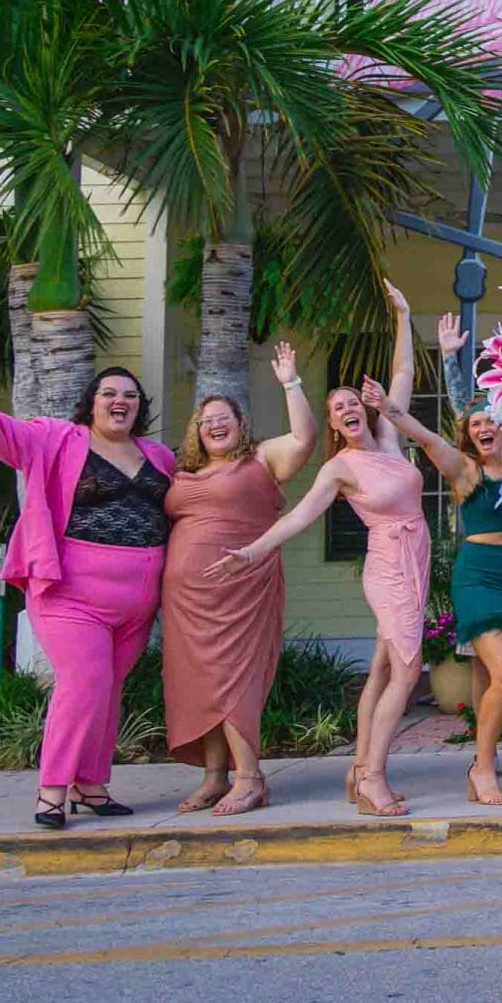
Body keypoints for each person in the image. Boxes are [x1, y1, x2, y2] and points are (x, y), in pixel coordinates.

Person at [207, 280, 426, 817]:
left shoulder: (392, 439)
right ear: (332, 423)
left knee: (380, 669)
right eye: (338, 408)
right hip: (390, 567)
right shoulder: (340, 468)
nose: (348, 409)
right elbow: (301, 516)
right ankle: (374, 777)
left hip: (415, 559)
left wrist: (402, 313)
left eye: (353, 401)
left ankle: (359, 772)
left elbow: (403, 374)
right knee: (407, 669)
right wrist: (251, 552)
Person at [0, 365, 174, 829]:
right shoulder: (58, 439)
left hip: (139, 600)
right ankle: (52, 791)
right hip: (70, 593)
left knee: (107, 689)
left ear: (140, 406)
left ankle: (91, 784)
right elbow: (6, 435)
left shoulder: (159, 456)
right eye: (109, 393)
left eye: (130, 395)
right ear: (92, 400)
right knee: (83, 683)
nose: (119, 401)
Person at [377, 395, 502, 808]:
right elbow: (424, 438)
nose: (482, 429)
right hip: (479, 578)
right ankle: (481, 765)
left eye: (488, 421)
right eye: (474, 424)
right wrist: (388, 407)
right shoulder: (466, 470)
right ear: (468, 435)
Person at [161, 343, 317, 816]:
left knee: (234, 681)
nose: (214, 423)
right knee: (199, 683)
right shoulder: (182, 471)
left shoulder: (261, 459)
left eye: (223, 416)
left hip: (243, 590)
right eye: (206, 419)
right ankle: (215, 777)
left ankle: (250, 778)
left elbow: (305, 439)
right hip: (186, 599)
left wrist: (291, 382)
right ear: (197, 430)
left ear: (239, 422)